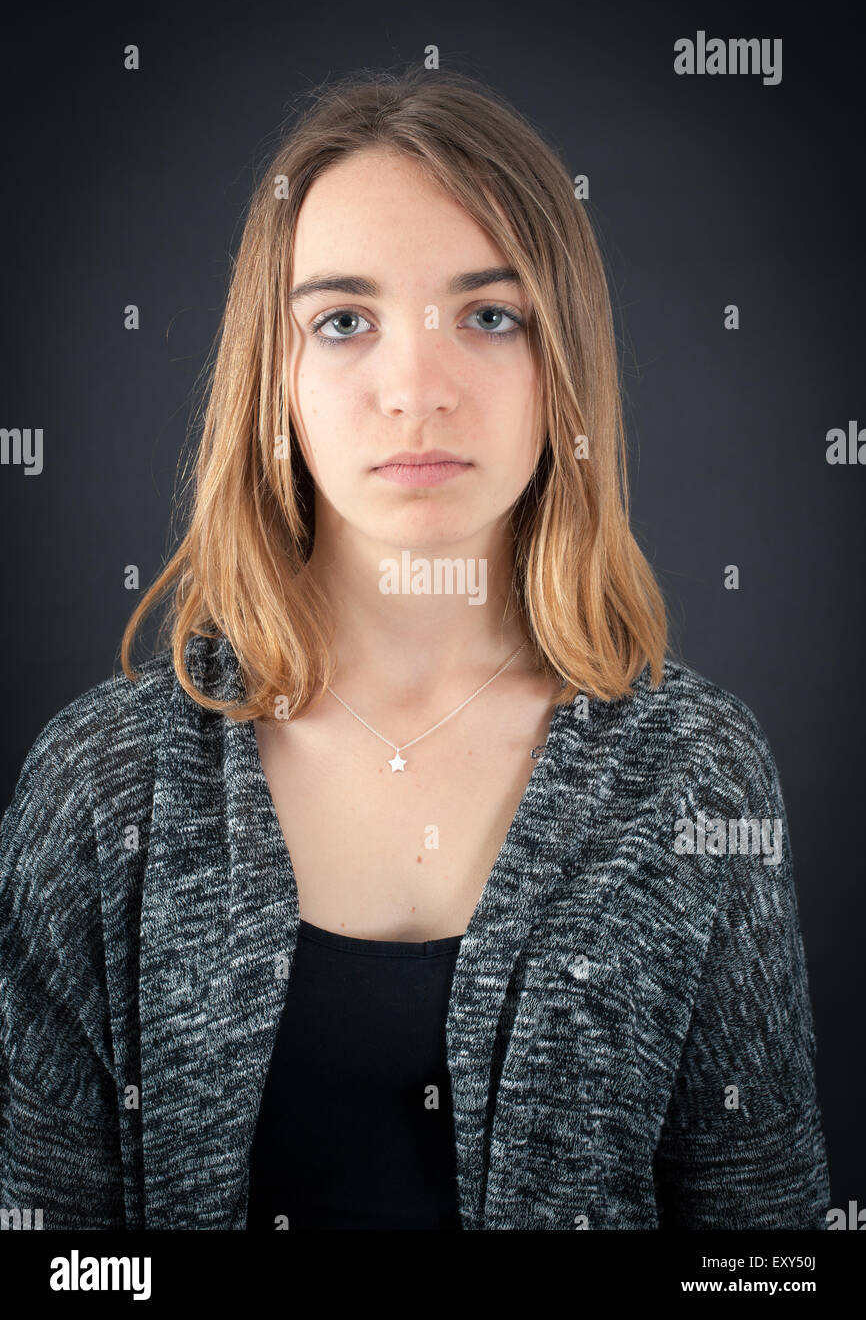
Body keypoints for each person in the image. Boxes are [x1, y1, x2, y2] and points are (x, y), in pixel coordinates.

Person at [0, 63, 830, 1230]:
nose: (415, 390)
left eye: (488, 316)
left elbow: (766, 1247)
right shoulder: (99, 788)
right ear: (271, 379)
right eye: (344, 321)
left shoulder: (695, 770)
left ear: (563, 371)